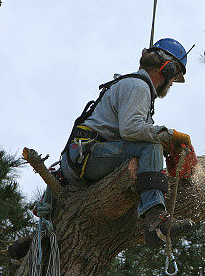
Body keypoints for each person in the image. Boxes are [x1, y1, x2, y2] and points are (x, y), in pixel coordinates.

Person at [59, 38, 195, 247]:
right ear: (168, 70)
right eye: (173, 78)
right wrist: (169, 135)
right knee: (150, 147)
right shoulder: (138, 86)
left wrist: (167, 146)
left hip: (83, 158)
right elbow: (131, 129)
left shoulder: (133, 86)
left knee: (151, 147)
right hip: (88, 156)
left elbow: (135, 131)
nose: (171, 84)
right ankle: (155, 220)